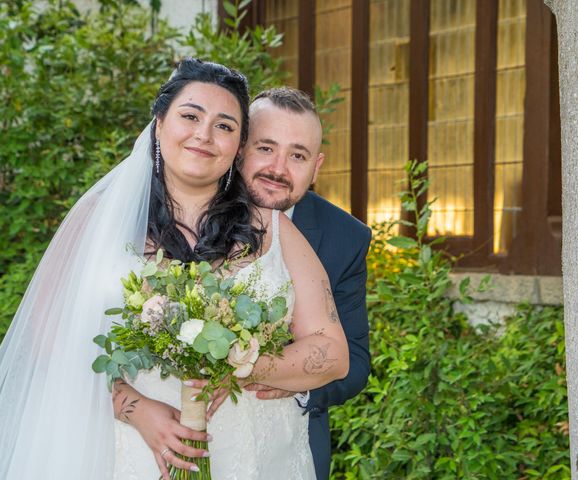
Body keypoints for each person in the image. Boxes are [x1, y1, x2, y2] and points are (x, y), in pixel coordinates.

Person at [0, 59, 348, 480]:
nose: (204, 134)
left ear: (238, 147)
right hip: (127, 453)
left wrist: (238, 364)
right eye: (190, 116)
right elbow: (50, 349)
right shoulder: (95, 221)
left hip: (257, 458)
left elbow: (333, 352)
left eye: (224, 125)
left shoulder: (275, 230)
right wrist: (136, 409)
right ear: (159, 124)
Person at [237, 87, 372, 480]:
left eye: (297, 155)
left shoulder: (344, 237)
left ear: (317, 166)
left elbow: (357, 363)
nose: (278, 168)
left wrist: (297, 387)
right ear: (241, 146)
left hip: (284, 439)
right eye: (265, 148)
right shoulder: (193, 207)